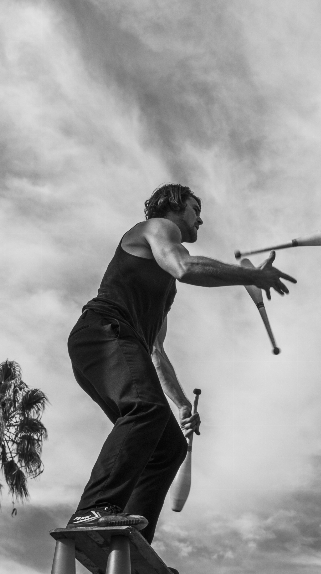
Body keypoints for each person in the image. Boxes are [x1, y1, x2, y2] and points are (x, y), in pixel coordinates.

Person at [66, 183, 295, 542]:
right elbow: (185, 266)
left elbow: (155, 352)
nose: (200, 219)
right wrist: (250, 275)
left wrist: (183, 404)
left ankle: (129, 540)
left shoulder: (164, 289)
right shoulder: (159, 229)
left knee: (168, 445)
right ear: (173, 206)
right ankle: (93, 510)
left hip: (116, 344)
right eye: (195, 209)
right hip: (103, 331)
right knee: (145, 410)